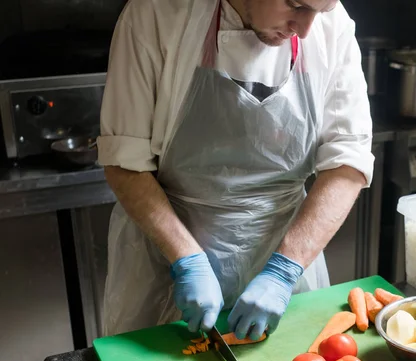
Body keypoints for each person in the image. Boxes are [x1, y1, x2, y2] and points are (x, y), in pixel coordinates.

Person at [97, 0, 374, 340]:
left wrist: (284, 270)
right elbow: (125, 164)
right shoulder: (157, 14)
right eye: (296, 5)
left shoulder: (331, 27)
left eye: (320, 11)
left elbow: (348, 163)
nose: (305, 28)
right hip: (165, 272)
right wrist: (187, 261)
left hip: (284, 272)